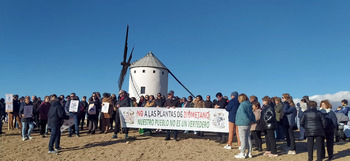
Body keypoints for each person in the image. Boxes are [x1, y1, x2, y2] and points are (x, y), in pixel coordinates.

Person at [234, 94, 255, 159]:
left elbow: (243, 114)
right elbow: (252, 114)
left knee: (243, 139)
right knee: (248, 138)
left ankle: (242, 153)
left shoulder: (242, 105)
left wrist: (247, 120)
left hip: (242, 123)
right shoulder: (249, 104)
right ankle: (249, 153)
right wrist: (252, 121)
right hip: (248, 124)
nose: (238, 99)